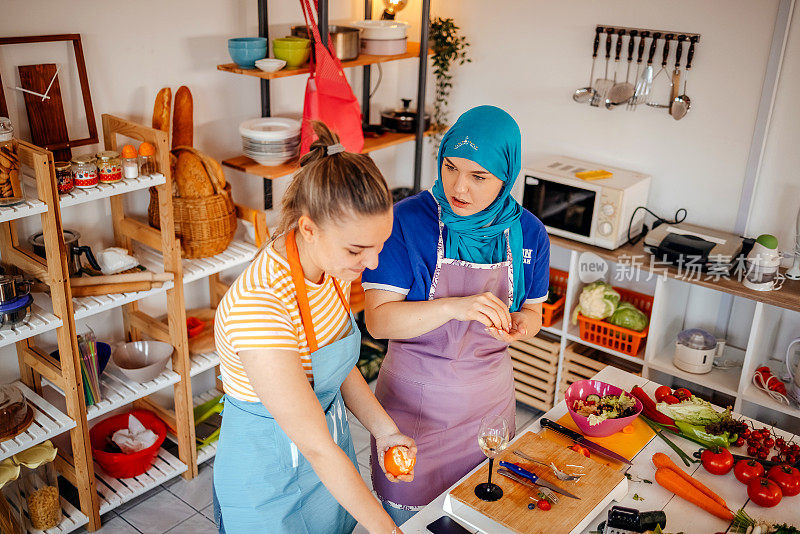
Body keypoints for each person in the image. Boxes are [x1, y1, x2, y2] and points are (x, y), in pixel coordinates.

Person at [212, 121, 416, 534]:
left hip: (326, 461)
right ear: (309, 228)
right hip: (270, 477)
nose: (372, 263)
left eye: (380, 244)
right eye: (358, 249)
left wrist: (386, 432)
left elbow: (334, 368)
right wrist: (387, 529)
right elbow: (315, 447)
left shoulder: (331, 266)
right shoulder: (261, 307)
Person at [362, 105, 550, 524]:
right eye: (450, 167)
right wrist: (454, 307)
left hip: (488, 411)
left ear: (507, 174)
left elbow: (535, 311)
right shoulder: (408, 221)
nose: (458, 187)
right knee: (404, 522)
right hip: (412, 414)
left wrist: (524, 326)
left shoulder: (529, 231)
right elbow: (377, 321)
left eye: (479, 176)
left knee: (474, 520)